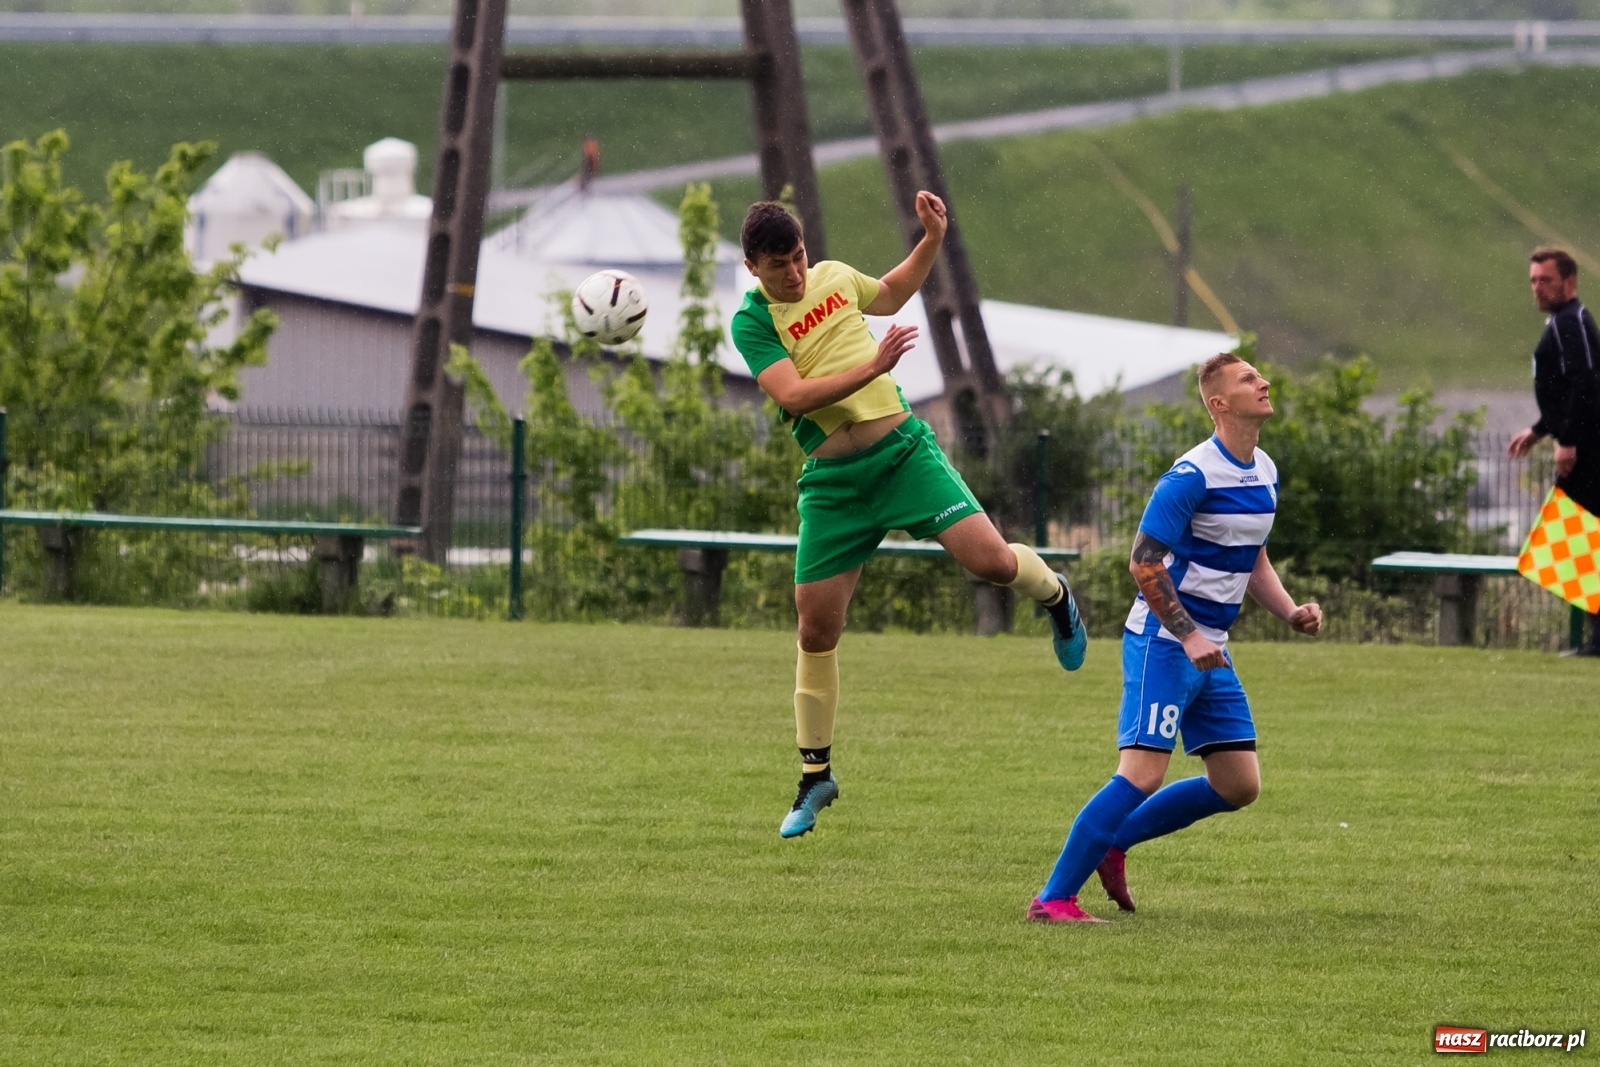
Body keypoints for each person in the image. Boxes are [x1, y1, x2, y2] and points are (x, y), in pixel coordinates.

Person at [729, 195, 1088, 839]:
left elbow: (892, 292)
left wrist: (932, 238)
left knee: (994, 562)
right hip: (835, 484)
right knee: (815, 629)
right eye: (780, 264)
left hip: (902, 454)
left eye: (801, 255)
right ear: (752, 266)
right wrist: (874, 365)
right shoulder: (752, 323)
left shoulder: (835, 277)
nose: (797, 273)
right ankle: (816, 777)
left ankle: (1057, 595)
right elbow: (794, 394)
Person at [1028, 352, 1323, 923]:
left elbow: (1252, 557)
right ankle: (1053, 899)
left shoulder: (1264, 470)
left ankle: (1113, 843)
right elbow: (1143, 565)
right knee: (1141, 773)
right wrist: (1187, 638)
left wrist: (1289, 612)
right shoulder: (1190, 476)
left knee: (1238, 784)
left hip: (1210, 646)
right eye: (1247, 380)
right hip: (1165, 642)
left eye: (1259, 375)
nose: (1264, 382)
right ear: (1219, 404)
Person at [1507, 247, 1600, 657]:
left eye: (1545, 279)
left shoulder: (1572, 321)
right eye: (1533, 280)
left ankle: (1597, 640)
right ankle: (1595, 638)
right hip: (1579, 442)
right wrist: (1542, 429)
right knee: (1573, 538)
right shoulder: (1560, 323)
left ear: (1569, 282)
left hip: (1589, 450)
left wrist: (1569, 441)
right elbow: (1563, 391)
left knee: (1577, 537)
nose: (1537, 288)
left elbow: (1586, 382)